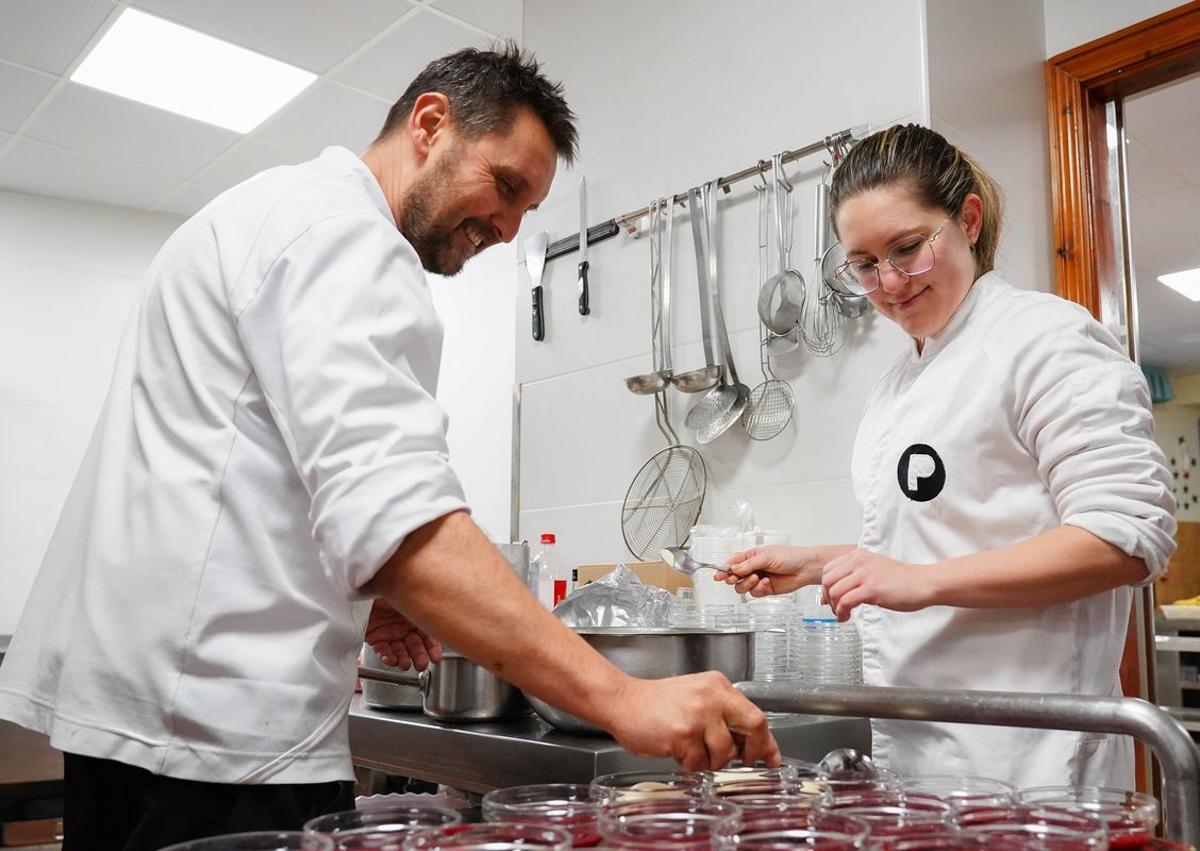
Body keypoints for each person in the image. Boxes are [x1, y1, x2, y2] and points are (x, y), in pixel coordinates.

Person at [0, 44, 777, 850]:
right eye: (506, 185)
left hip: (147, 728)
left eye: (526, 211)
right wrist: (623, 697)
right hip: (218, 746)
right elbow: (408, 526)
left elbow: (235, 477)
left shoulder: (265, 212)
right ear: (430, 124)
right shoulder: (345, 238)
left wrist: (356, 592)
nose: (507, 229)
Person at [719, 124, 1175, 789]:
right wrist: (822, 562)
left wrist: (918, 583)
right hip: (924, 757)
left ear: (967, 218)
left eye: (908, 247)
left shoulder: (1043, 338)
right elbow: (945, 532)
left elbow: (1128, 539)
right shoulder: (900, 385)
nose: (890, 281)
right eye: (865, 264)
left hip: (1035, 765)